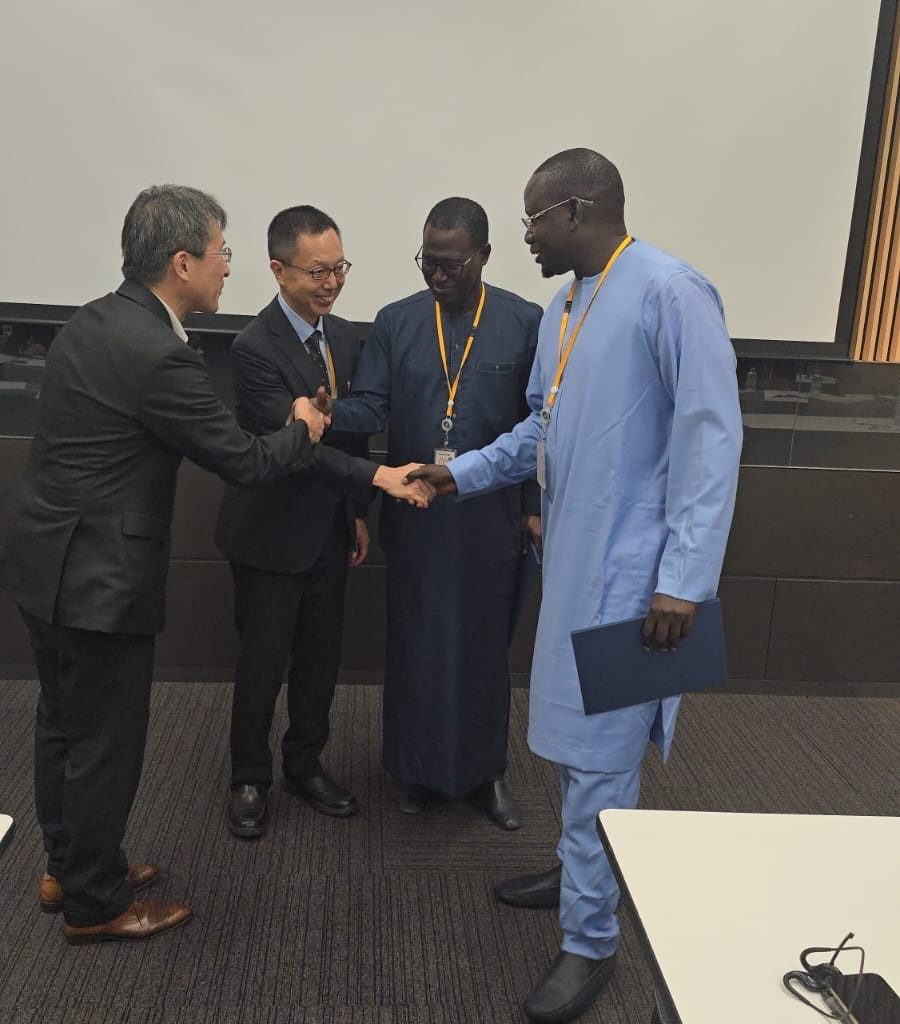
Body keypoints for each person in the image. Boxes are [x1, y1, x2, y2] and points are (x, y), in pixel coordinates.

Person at [0, 185, 428, 945]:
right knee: (104, 740)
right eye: (220, 252)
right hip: (99, 579)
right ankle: (95, 905)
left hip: (45, 561)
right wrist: (304, 424)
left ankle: (71, 865)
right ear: (182, 262)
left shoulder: (94, 321)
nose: (227, 266)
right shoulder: (159, 354)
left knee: (63, 724)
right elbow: (245, 461)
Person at [407, 150, 743, 1023]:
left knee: (602, 757)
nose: (525, 236)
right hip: (572, 566)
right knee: (570, 744)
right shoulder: (564, 305)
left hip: (639, 586)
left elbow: (712, 440)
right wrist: (460, 473)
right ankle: (578, 866)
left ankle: (590, 941)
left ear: (579, 210)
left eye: (534, 219)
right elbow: (541, 433)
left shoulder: (671, 292)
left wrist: (684, 582)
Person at [315, 198, 542, 829]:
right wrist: (332, 412)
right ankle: (411, 770)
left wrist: (531, 508)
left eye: (450, 264)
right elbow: (373, 407)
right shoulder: (397, 321)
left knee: (483, 647)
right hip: (416, 513)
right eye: (428, 262)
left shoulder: (524, 322)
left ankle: (484, 774)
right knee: (416, 642)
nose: (437, 275)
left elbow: (537, 427)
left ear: (484, 257)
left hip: (489, 518)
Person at [215, 206, 373, 835]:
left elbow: (352, 434)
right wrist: (376, 480)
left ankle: (305, 765)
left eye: (339, 268)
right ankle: (249, 778)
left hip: (330, 530)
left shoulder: (346, 338)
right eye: (317, 272)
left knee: (319, 660)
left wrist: (356, 512)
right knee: (262, 664)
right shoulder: (253, 348)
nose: (332, 283)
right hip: (270, 537)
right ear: (279, 271)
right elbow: (297, 449)